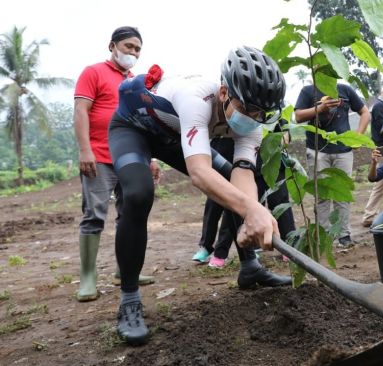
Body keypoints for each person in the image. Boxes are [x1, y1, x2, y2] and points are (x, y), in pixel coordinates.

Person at [108, 46, 291, 345]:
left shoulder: (252, 122)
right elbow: (199, 173)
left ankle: (250, 268)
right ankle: (129, 299)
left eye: (262, 113)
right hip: (134, 129)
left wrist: (250, 215)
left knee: (230, 185)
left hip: (174, 136)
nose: (255, 118)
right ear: (223, 93)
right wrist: (251, 210)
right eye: (248, 109)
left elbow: (242, 175)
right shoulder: (196, 99)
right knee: (139, 195)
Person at [73, 26, 159, 302]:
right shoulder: (93, 72)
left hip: (131, 158)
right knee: (94, 214)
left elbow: (145, 122)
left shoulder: (136, 82)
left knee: (130, 213)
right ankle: (88, 277)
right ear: (112, 46)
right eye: (129, 47)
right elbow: (81, 111)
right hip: (98, 155)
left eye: (137, 49)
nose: (133, 53)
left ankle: (126, 270)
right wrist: (85, 150)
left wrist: (152, 158)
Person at [192, 124, 296, 268]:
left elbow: (286, 133)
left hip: (263, 161)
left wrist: (274, 143)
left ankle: (284, 247)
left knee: (272, 202)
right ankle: (216, 250)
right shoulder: (228, 115)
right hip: (227, 156)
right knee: (225, 206)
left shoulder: (273, 112)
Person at [294, 83, 371, 246]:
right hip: (317, 151)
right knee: (321, 194)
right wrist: (320, 108)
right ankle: (323, 235)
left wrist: (358, 137)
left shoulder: (345, 90)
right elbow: (298, 116)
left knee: (342, 194)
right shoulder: (308, 90)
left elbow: (365, 112)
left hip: (343, 151)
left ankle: (344, 234)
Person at [361, 82, 383, 227]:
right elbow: (381, 128)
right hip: (382, 148)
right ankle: (368, 216)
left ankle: (377, 213)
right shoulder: (378, 106)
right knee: (380, 184)